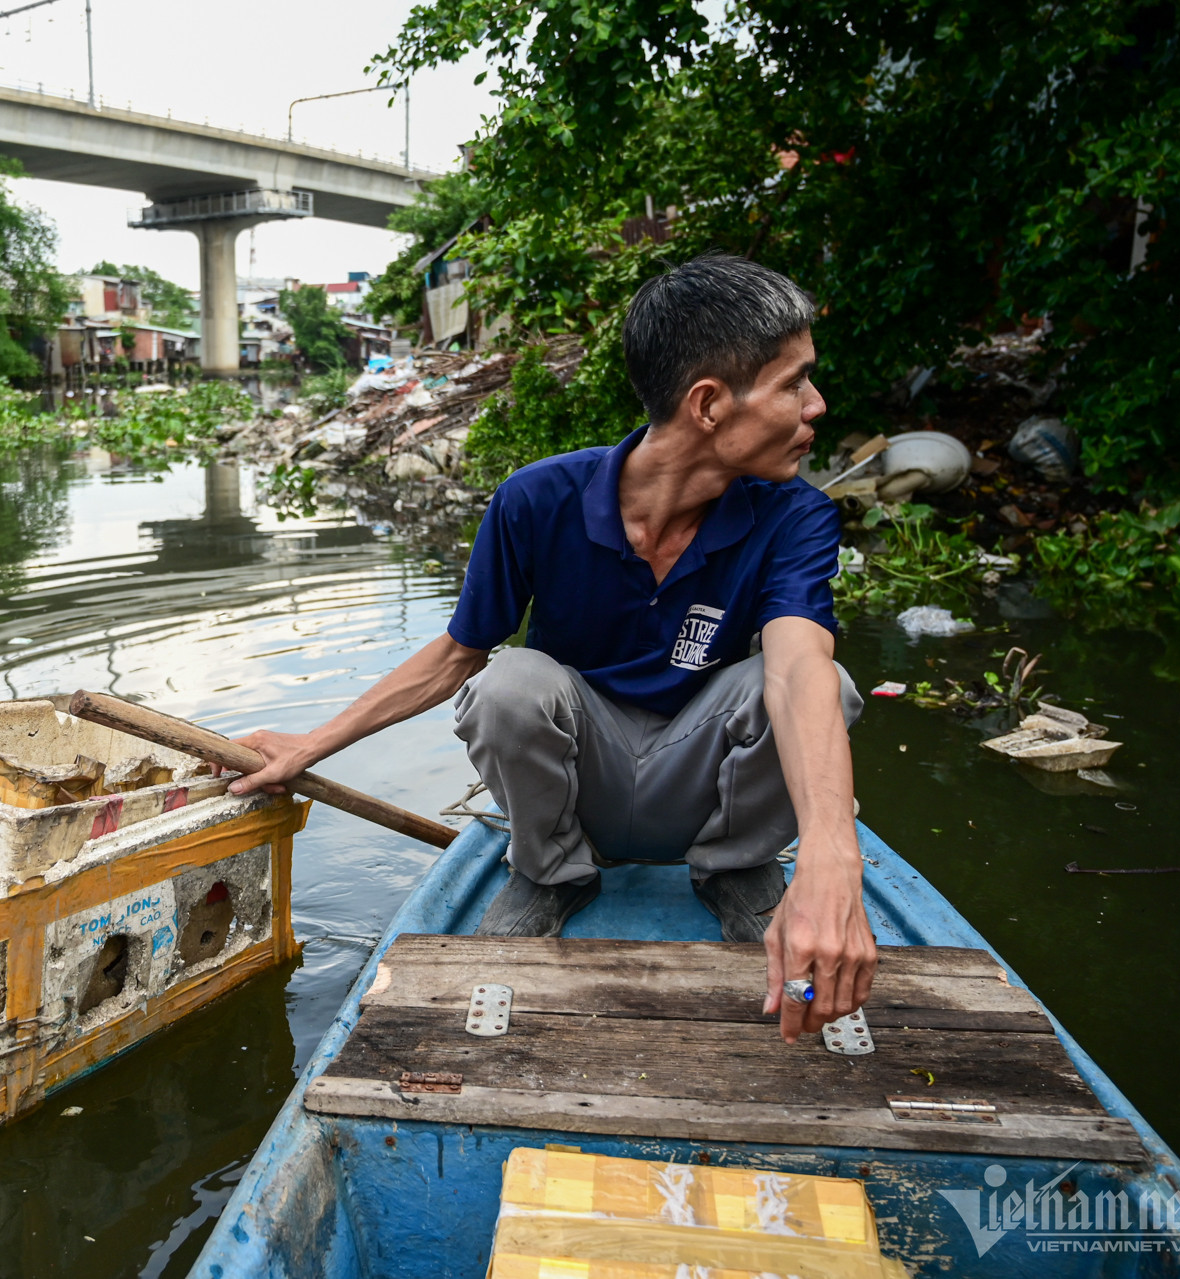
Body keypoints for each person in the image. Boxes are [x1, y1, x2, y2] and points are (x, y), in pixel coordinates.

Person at [229, 253, 875, 1044]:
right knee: (510, 682)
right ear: (709, 403)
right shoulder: (538, 500)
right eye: (794, 383)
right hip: (585, 787)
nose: (817, 406)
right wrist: (314, 742)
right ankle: (552, 873)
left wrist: (831, 861)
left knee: (831, 684)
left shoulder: (793, 515)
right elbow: (459, 654)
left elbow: (798, 665)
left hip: (700, 779)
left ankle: (738, 868)